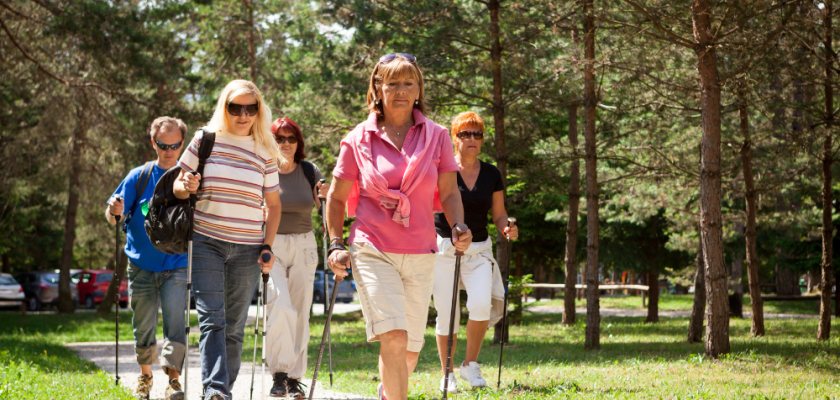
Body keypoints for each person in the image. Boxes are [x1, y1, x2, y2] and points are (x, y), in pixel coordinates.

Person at [326, 53, 472, 400]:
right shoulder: (357, 139)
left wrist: (459, 225)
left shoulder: (436, 136)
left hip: (421, 250)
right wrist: (334, 242)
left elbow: (449, 192)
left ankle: (387, 393)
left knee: (409, 349)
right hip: (372, 247)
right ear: (378, 88)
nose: (401, 91)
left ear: (419, 88)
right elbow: (335, 198)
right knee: (393, 336)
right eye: (392, 83)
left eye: (409, 83)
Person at [173, 80, 281, 400]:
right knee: (212, 319)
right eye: (236, 107)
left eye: (251, 108)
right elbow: (179, 186)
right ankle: (215, 390)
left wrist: (267, 246)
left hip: (248, 248)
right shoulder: (205, 140)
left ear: (259, 111)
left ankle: (222, 390)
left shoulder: (266, 150)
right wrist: (187, 187)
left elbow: (274, 206)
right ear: (225, 108)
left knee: (234, 326)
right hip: (206, 241)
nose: (243, 114)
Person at [431, 111, 518, 393]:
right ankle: (447, 373)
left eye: (477, 134)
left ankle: (470, 365)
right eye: (465, 133)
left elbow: (500, 215)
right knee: (447, 314)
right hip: (444, 249)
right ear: (454, 138)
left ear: (482, 139)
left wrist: (508, 228)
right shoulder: (441, 169)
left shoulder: (492, 174)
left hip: (479, 250)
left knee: (481, 303)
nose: (471, 139)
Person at [106, 116, 190, 400]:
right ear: (154, 143)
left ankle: (174, 382)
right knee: (142, 325)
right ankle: (145, 377)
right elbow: (112, 215)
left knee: (176, 323)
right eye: (164, 145)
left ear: (182, 144)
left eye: (176, 145)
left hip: (177, 265)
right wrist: (115, 210)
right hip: (140, 266)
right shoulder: (138, 176)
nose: (169, 150)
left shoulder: (189, 178)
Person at [263, 117, 329, 399]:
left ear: (298, 142)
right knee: (280, 306)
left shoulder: (309, 170)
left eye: (291, 138)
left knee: (301, 312)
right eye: (280, 138)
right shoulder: (264, 171)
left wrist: (327, 197)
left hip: (304, 246)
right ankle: (279, 373)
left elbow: (328, 211)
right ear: (271, 141)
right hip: (272, 245)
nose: (286, 144)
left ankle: (294, 378)